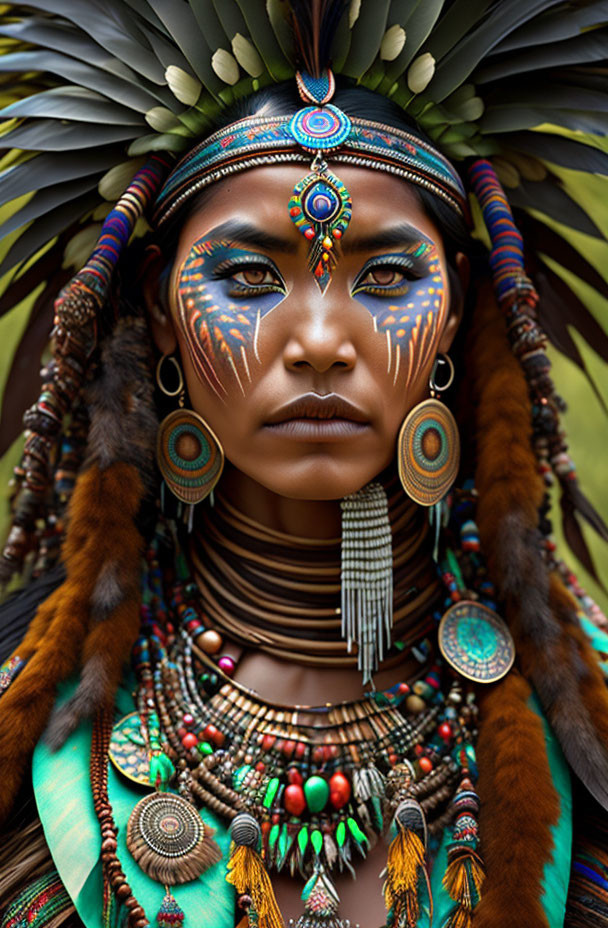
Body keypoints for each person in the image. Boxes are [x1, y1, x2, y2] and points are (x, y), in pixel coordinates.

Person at [0, 2, 607, 927]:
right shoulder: (26, 715)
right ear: (161, 309)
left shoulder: (583, 702)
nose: (321, 340)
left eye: (388, 277)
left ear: (452, 315)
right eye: (247, 277)